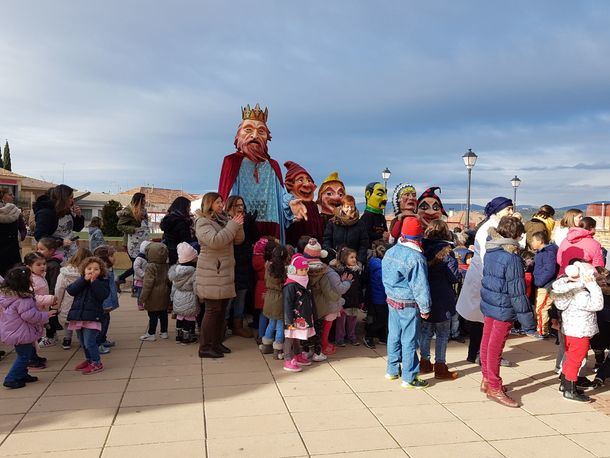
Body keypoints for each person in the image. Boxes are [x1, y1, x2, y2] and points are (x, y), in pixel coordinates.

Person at [479, 216, 534, 408]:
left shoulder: (491, 249)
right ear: (516, 234)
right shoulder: (511, 258)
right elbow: (517, 292)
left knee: (487, 343)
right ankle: (494, 386)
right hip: (503, 307)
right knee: (495, 348)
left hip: (490, 303)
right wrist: (528, 322)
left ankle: (487, 379)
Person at [456, 196, 514, 364]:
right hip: (484, 277)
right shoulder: (489, 228)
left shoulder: (494, 226)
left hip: (486, 277)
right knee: (484, 319)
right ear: (497, 211)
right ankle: (481, 355)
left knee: (482, 319)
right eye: (508, 209)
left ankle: (478, 354)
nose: (511, 211)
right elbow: (486, 256)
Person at [382, 217, 431, 389]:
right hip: (408, 303)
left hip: (392, 299)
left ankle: (392, 370)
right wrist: (425, 308)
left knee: (393, 335)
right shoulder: (416, 257)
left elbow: (385, 276)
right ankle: (409, 377)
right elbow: (420, 286)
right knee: (409, 340)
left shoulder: (391, 250)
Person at [195, 192, 245, 358]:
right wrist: (232, 226)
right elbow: (215, 242)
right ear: (209, 203)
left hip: (223, 272)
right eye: (217, 202)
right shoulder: (202, 222)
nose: (221, 204)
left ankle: (216, 343)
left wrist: (237, 224)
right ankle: (205, 347)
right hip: (212, 273)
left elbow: (238, 240)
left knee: (221, 311)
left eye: (222, 201)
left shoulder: (223, 220)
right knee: (212, 310)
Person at [551, 262, 603, 402]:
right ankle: (570, 390)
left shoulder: (566, 289)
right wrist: (593, 286)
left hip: (570, 329)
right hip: (580, 331)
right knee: (576, 360)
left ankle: (565, 384)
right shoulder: (582, 293)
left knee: (570, 358)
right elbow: (598, 304)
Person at [1, 267, 56, 389]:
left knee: (25, 354)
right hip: (21, 333)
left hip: (14, 331)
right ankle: (11, 378)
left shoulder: (9, 296)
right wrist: (47, 314)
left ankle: (22, 374)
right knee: (24, 356)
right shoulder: (23, 299)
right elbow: (31, 316)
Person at [419, 220, 460, 380]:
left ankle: (424, 362)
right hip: (443, 297)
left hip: (426, 295)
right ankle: (440, 366)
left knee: (425, 332)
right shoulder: (446, 251)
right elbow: (454, 277)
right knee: (442, 334)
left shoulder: (422, 249)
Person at [305, 238, 352, 356]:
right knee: (323, 328)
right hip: (326, 305)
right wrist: (347, 283)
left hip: (309, 304)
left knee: (311, 328)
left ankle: (308, 350)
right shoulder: (328, 273)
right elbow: (333, 291)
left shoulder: (305, 270)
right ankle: (322, 348)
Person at [66, 256, 110, 375]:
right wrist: (83, 280)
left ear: (101, 271)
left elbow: (103, 295)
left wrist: (94, 282)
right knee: (82, 340)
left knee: (89, 341)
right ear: (84, 270)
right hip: (79, 316)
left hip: (93, 317)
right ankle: (89, 359)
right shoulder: (81, 281)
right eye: (89, 268)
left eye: (96, 269)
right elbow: (71, 290)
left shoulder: (102, 282)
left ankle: (96, 362)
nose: (92, 271)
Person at [225, 195, 257, 338]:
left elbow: (255, 236)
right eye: (236, 205)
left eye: (241, 205)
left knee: (241, 295)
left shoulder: (247, 219)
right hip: (229, 262)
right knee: (228, 297)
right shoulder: (224, 221)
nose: (240, 208)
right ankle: (223, 326)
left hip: (244, 262)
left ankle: (238, 325)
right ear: (229, 206)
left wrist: (250, 222)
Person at [282, 254, 316, 372]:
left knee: (297, 337)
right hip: (293, 318)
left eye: (306, 269)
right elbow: (287, 304)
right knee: (290, 337)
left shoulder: (305, 282)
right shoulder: (290, 285)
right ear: (294, 270)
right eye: (301, 270)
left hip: (302, 316)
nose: (304, 272)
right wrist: (288, 321)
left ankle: (297, 355)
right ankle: (287, 359)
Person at [33, 184, 85, 260]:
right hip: (55, 257)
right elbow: (39, 235)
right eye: (70, 198)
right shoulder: (46, 213)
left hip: (71, 253)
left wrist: (79, 216)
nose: (72, 201)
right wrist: (60, 241)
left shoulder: (66, 211)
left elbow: (76, 228)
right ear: (63, 199)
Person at [55, 247, 93, 350]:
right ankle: (83, 341)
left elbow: (59, 289)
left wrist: (57, 305)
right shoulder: (88, 273)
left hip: (68, 302)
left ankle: (67, 339)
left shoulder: (64, 273)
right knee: (80, 322)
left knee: (68, 321)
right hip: (82, 303)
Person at [261, 245, 290, 359]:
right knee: (280, 325)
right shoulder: (284, 269)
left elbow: (265, 279)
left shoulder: (268, 267)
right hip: (280, 299)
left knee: (271, 323)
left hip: (269, 297)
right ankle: (277, 350)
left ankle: (266, 345)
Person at [116, 192, 150, 291]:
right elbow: (120, 226)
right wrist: (133, 229)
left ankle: (120, 279)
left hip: (142, 241)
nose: (145, 201)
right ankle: (135, 288)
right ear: (139, 200)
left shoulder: (143, 211)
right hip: (131, 243)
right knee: (137, 264)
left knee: (137, 264)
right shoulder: (128, 211)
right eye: (143, 200)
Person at [323, 195, 369, 264]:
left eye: (352, 206)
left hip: (354, 262)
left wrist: (360, 261)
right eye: (347, 207)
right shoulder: (333, 223)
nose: (350, 209)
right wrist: (331, 257)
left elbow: (364, 244)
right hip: (336, 261)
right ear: (342, 207)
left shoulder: (360, 224)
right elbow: (327, 240)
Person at [139, 242, 171, 342]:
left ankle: (151, 333)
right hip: (165, 293)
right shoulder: (166, 265)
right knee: (163, 314)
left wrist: (142, 297)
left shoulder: (150, 266)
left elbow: (148, 284)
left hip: (153, 295)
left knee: (152, 315)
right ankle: (164, 332)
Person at [331, 247, 363, 347]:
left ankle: (351, 336)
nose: (354, 259)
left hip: (354, 299)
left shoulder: (357, 271)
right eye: (351, 257)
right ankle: (340, 338)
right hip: (344, 300)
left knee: (352, 319)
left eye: (355, 257)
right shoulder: (342, 271)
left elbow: (359, 286)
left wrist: (360, 299)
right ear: (345, 259)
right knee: (341, 320)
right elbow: (340, 287)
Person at [169, 242, 200, 344]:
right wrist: (200, 297)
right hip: (190, 297)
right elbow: (196, 287)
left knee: (180, 317)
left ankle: (179, 336)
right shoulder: (194, 272)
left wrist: (172, 297)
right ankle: (187, 337)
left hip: (178, 296)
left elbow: (173, 286)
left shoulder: (176, 271)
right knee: (189, 318)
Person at [36, 237, 64, 347]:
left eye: (42, 249)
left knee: (50, 317)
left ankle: (51, 337)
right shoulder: (46, 263)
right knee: (46, 317)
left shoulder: (53, 265)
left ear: (51, 251)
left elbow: (54, 283)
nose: (38, 251)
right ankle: (50, 335)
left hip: (50, 296)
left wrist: (51, 297)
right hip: (45, 295)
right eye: (37, 249)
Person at [530, 231, 559, 338]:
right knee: (542, 308)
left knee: (541, 308)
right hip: (543, 284)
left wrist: (539, 282)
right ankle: (543, 329)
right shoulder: (541, 252)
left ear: (540, 241)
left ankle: (542, 331)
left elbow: (549, 270)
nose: (531, 243)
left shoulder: (547, 253)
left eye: (533, 240)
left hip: (546, 285)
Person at [92, 246, 119, 354]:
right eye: (111, 256)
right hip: (103, 303)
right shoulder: (102, 273)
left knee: (106, 320)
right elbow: (103, 290)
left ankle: (102, 339)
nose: (114, 258)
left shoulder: (107, 270)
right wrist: (107, 303)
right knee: (101, 322)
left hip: (107, 301)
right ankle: (97, 343)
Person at [363, 240, 388, 349]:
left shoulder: (373, 264)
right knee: (382, 318)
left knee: (379, 317)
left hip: (375, 295)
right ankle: (369, 335)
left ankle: (381, 336)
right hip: (380, 297)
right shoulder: (382, 269)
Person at [160, 196, 196, 265]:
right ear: (183, 208)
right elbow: (186, 241)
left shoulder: (168, 218)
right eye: (188, 207)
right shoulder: (181, 222)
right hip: (179, 253)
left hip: (167, 250)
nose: (189, 209)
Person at [0, 190, 23, 277]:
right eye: (10, 194)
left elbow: (22, 228)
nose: (13, 196)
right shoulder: (14, 211)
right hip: (12, 253)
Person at [360, 182, 388, 246]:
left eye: (385, 194)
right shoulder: (366, 217)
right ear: (368, 194)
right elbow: (365, 234)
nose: (385, 198)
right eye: (380, 194)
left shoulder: (382, 217)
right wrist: (381, 236)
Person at [133, 241, 151, 311]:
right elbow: (136, 267)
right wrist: (143, 274)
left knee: (147, 292)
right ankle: (140, 304)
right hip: (140, 279)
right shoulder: (139, 258)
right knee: (140, 293)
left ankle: (146, 303)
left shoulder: (148, 258)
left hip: (147, 279)